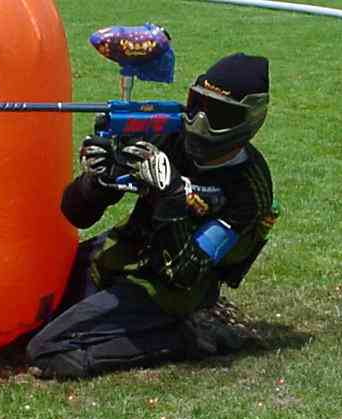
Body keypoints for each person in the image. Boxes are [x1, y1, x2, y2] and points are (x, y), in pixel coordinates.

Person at [26, 53, 278, 378]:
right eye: (197, 105)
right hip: (124, 254)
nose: (199, 122)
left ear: (249, 119)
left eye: (218, 113)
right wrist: (96, 181)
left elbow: (184, 274)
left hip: (168, 289)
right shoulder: (167, 135)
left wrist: (172, 196)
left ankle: (186, 335)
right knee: (33, 312)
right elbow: (77, 215)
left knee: (47, 350)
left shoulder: (250, 190)